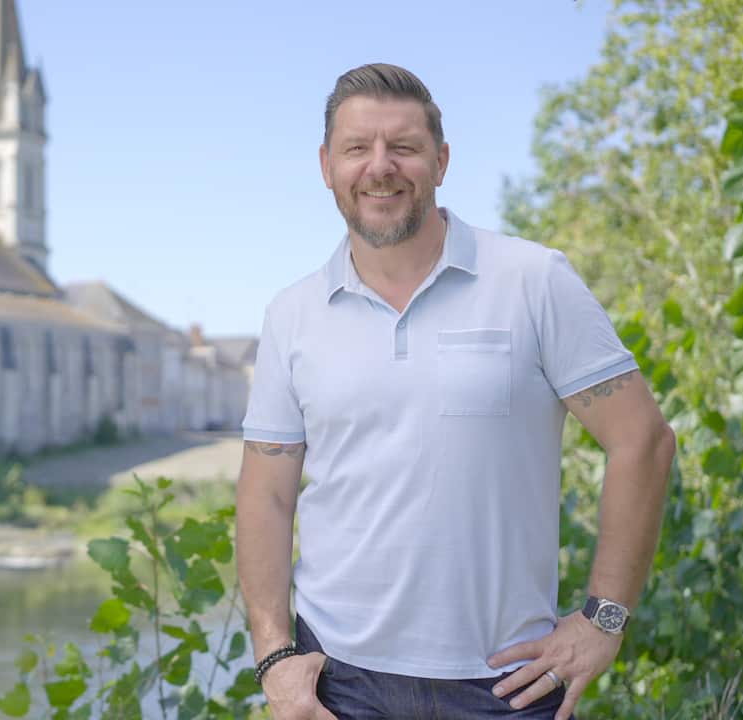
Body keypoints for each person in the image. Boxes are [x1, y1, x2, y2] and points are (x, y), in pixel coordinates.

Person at [235, 63, 675, 720]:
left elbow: (643, 439)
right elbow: (266, 494)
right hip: (339, 684)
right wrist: (274, 659)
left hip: (507, 684)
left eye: (403, 147)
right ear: (327, 165)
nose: (380, 167)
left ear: (441, 161)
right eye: (358, 148)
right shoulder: (292, 314)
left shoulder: (533, 280)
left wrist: (604, 620)